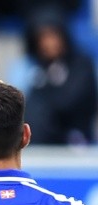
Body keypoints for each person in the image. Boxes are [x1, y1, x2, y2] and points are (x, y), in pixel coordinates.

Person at [22, 11, 98, 145]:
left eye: (53, 35)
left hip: (76, 137)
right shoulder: (32, 66)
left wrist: (47, 87)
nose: (49, 43)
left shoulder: (82, 65)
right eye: (43, 37)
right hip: (40, 138)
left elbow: (71, 102)